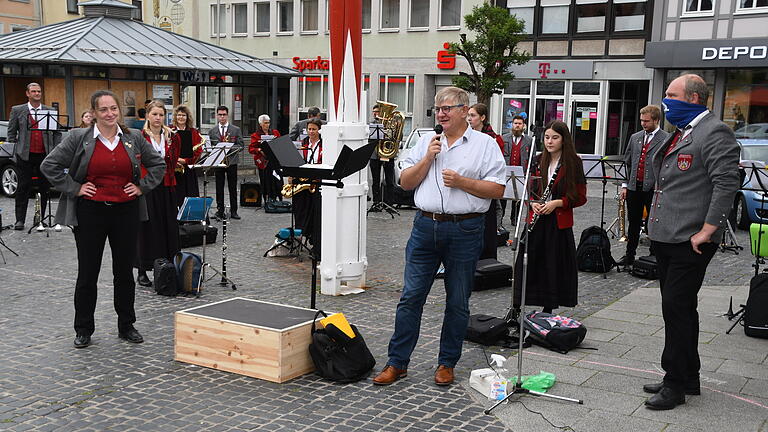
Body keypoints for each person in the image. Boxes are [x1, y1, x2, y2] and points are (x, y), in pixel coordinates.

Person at [373, 87, 505, 387]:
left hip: (466, 229)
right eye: (438, 109)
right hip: (425, 227)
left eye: (448, 108)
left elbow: (498, 190)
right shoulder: (425, 143)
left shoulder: (485, 145)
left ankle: (447, 363)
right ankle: (397, 362)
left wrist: (462, 182)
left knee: (457, 301)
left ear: (464, 110)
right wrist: (427, 160)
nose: (441, 113)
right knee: (410, 298)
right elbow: (404, 183)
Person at [642, 74, 740, 410]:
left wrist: (708, 229)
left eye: (671, 95)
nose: (665, 101)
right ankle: (689, 375)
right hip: (668, 235)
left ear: (694, 99)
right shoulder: (683, 132)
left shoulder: (715, 132)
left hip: (691, 239)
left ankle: (674, 384)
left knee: (676, 307)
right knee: (682, 309)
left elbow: (726, 185)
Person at [40, 90, 165, 348]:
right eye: (104, 110)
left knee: (124, 272)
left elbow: (158, 165)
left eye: (114, 109)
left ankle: (126, 325)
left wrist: (142, 186)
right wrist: (75, 188)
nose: (110, 114)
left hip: (126, 212)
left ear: (119, 111)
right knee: (88, 272)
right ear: (94, 113)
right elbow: (49, 166)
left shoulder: (132, 138)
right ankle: (83, 328)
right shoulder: (78, 138)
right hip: (90, 213)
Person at [512, 120, 586, 317]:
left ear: (564, 140)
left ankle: (548, 306)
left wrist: (557, 203)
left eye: (555, 138)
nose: (550, 141)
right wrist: (532, 203)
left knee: (552, 264)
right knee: (528, 261)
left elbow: (580, 196)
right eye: (546, 137)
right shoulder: (536, 161)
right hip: (536, 219)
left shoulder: (573, 163)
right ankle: (518, 305)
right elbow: (528, 190)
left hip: (557, 221)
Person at [135, 100, 181, 287]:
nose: (158, 118)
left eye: (161, 115)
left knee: (167, 226)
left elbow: (174, 160)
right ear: (147, 115)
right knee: (147, 228)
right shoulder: (139, 136)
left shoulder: (172, 136)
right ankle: (142, 270)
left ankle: (167, 267)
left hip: (167, 185)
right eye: (154, 114)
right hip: (147, 187)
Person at [616, 105, 669, 266]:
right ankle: (629, 255)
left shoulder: (666, 138)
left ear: (656, 120)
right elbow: (628, 162)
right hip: (634, 187)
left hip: (653, 189)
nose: (643, 124)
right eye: (641, 121)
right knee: (633, 222)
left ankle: (654, 256)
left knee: (653, 223)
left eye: (646, 121)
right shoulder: (635, 137)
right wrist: (625, 185)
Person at [7, 82, 62, 230]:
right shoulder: (18, 110)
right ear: (28, 93)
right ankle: (20, 220)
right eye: (34, 91)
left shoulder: (49, 110)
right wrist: (14, 150)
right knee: (23, 187)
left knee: (44, 188)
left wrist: (54, 150)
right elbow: (11, 132)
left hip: (44, 155)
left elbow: (57, 132)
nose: (37, 94)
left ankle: (40, 219)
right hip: (24, 155)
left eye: (39, 91)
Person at [467, 103, 504, 260]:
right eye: (468, 115)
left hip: (485, 187)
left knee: (487, 226)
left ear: (482, 118)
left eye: (473, 115)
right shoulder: (466, 136)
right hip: (468, 188)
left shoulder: (493, 139)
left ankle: (487, 261)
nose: (469, 119)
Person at [292, 118, 323, 255]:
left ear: (319, 130)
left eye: (314, 129)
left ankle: (316, 242)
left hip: (316, 183)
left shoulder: (324, 145)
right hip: (303, 183)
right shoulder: (302, 144)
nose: (311, 132)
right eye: (309, 129)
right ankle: (303, 234)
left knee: (316, 214)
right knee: (301, 211)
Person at [208, 105, 244, 219]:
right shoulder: (212, 131)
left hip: (231, 162)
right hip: (218, 162)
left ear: (227, 115)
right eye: (220, 115)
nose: (222, 117)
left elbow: (241, 145)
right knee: (219, 187)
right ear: (217, 116)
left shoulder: (235, 129)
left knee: (232, 187)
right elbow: (210, 147)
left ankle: (234, 211)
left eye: (224, 115)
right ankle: (220, 210)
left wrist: (228, 148)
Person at [500, 115, 533, 227]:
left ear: (523, 126)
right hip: (505, 172)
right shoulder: (504, 138)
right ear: (512, 125)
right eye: (515, 123)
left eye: (519, 124)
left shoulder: (529, 140)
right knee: (503, 197)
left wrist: (529, 173)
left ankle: (515, 219)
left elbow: (532, 158)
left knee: (518, 198)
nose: (517, 126)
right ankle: (500, 218)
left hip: (521, 173)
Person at [171, 105, 203, 208]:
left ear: (187, 117)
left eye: (183, 115)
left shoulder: (193, 132)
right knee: (176, 194)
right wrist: (175, 161)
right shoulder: (170, 131)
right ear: (175, 117)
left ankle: (191, 217)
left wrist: (186, 160)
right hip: (174, 169)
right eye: (179, 115)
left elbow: (198, 150)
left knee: (190, 193)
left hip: (189, 168)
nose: (181, 117)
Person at [249, 114, 283, 202]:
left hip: (274, 161)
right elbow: (251, 149)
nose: (267, 125)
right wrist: (259, 149)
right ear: (260, 124)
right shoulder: (255, 135)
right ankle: (267, 198)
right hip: (263, 162)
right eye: (265, 123)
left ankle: (277, 197)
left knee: (276, 180)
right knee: (265, 180)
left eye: (268, 123)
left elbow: (280, 143)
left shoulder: (275, 132)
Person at [368, 104, 395, 209]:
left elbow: (398, 137)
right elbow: (368, 139)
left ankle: (390, 203)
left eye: (377, 112)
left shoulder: (391, 124)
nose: (375, 113)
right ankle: (376, 202)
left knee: (389, 180)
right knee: (375, 180)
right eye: (374, 112)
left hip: (388, 154)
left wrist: (390, 133)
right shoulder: (371, 125)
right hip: (375, 155)